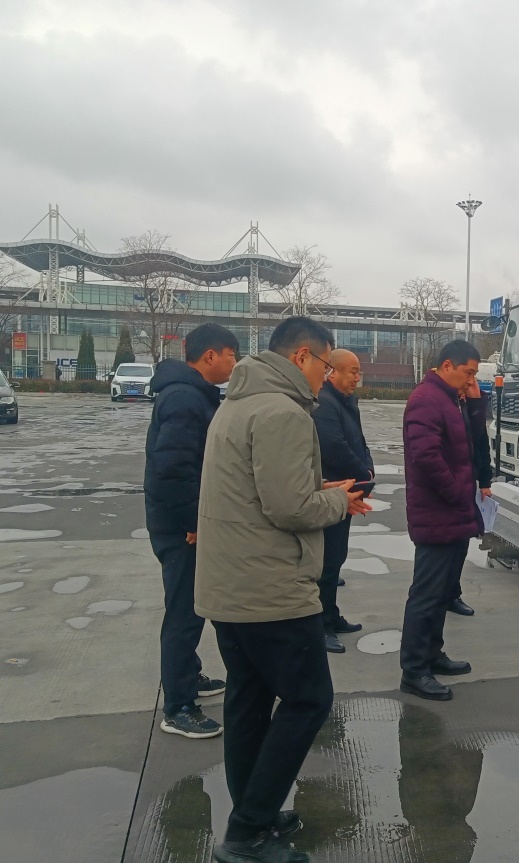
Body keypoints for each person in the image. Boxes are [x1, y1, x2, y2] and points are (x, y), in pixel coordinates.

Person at [196, 317, 370, 863]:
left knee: (248, 702)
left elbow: (264, 489)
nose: (327, 376)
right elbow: (290, 509)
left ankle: (255, 812)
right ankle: (247, 832)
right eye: (325, 365)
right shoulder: (283, 412)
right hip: (270, 588)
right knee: (308, 700)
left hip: (232, 585)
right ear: (302, 358)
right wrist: (338, 501)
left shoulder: (239, 403)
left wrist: (319, 488)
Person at [143, 322, 239, 739]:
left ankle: (189, 675)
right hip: (180, 528)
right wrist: (193, 523)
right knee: (184, 613)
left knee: (193, 608)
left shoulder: (193, 393)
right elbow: (173, 470)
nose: (234, 364)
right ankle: (178, 706)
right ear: (210, 356)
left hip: (184, 521)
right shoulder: (184, 398)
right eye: (231, 356)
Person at [399, 339, 486, 701]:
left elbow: (471, 444)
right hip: (438, 513)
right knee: (426, 595)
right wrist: (455, 492)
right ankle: (414, 670)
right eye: (468, 373)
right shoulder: (426, 399)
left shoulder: (449, 397)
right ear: (447, 365)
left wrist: (476, 402)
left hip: (453, 513)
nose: (471, 380)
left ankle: (432, 654)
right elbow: (426, 456)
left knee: (441, 593)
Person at [313, 348, 374, 654]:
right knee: (326, 562)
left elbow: (359, 441)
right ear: (332, 372)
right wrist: (363, 473)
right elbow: (333, 446)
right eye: (352, 371)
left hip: (348, 491)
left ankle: (332, 614)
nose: (357, 377)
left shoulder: (347, 402)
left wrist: (368, 470)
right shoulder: (325, 403)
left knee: (337, 556)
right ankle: (321, 625)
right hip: (332, 492)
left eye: (358, 371)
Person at [446, 378, 494, 617]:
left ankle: (452, 594)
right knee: (446, 547)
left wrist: (485, 481)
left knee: (462, 543)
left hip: (468, 485)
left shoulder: (468, 406)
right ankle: (442, 594)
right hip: (450, 488)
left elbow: (481, 443)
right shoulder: (444, 404)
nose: (471, 384)